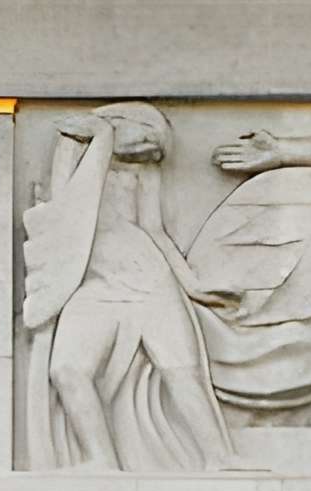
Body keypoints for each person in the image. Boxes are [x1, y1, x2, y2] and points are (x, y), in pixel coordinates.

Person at [23, 103, 241, 470]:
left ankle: (219, 457)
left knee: (180, 369)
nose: (150, 143)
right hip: (95, 283)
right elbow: (67, 210)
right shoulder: (73, 155)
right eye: (141, 129)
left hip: (149, 278)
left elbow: (154, 229)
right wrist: (101, 138)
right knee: (67, 370)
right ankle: (101, 460)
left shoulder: (143, 171)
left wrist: (192, 285)